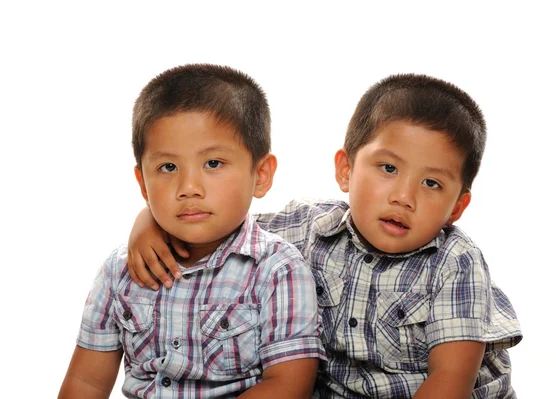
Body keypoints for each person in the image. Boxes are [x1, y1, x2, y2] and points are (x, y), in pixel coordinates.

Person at [126, 73, 522, 398]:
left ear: (457, 206)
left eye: (432, 183)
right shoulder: (310, 229)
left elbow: (450, 382)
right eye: (387, 168)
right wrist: (150, 220)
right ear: (346, 169)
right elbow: (220, 221)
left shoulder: (455, 262)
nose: (404, 197)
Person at [58, 64, 326, 399]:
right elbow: (87, 382)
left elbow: (289, 385)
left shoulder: (277, 269)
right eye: (168, 167)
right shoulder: (119, 271)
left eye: (213, 163)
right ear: (142, 183)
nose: (188, 187)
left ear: (260, 175)